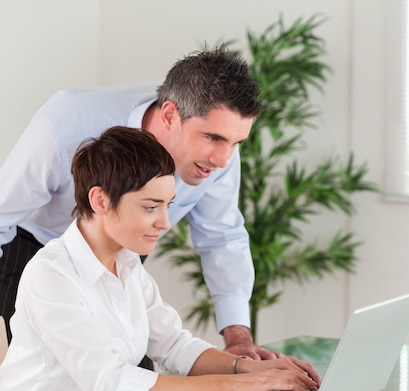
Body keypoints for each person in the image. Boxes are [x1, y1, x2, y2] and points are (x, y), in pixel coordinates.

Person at [0, 126, 320, 391]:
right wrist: (232, 386)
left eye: (168, 205)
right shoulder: (51, 275)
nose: (165, 223)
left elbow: (175, 346)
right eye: (151, 207)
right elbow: (109, 383)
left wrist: (247, 369)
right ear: (99, 200)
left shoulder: (128, 267)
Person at [0, 46, 272, 359]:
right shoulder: (65, 125)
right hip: (35, 252)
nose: (223, 160)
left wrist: (238, 339)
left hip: (121, 259)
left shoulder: (217, 155)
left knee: (139, 373)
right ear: (170, 115)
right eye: (213, 138)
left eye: (235, 143)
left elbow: (222, 236)